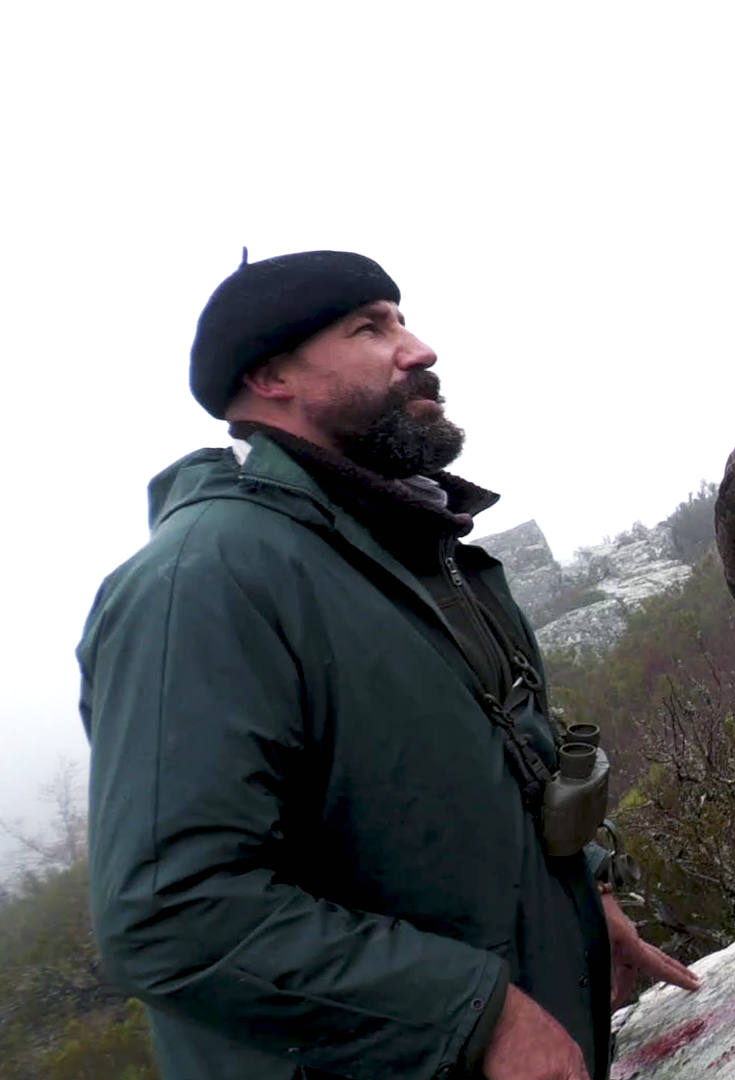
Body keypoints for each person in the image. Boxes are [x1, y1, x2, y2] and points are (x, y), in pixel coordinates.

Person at [78, 250, 698, 1080]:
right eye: (370, 328)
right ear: (269, 376)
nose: (419, 349)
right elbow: (171, 915)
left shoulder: (429, 556)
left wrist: (587, 900)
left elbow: (502, 774)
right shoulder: (205, 582)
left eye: (401, 319)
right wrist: (480, 1017)